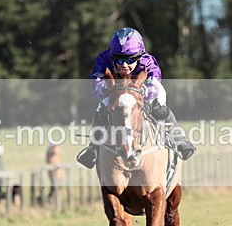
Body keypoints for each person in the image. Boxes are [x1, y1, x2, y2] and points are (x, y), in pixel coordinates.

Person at [76, 27, 196, 169]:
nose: (124, 65)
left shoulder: (148, 61)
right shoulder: (103, 59)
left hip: (144, 92)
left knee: (158, 108)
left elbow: (154, 82)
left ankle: (179, 139)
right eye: (119, 60)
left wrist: (142, 91)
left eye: (130, 59)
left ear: (139, 56)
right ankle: (93, 148)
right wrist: (105, 88)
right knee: (101, 108)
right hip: (116, 93)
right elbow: (96, 82)